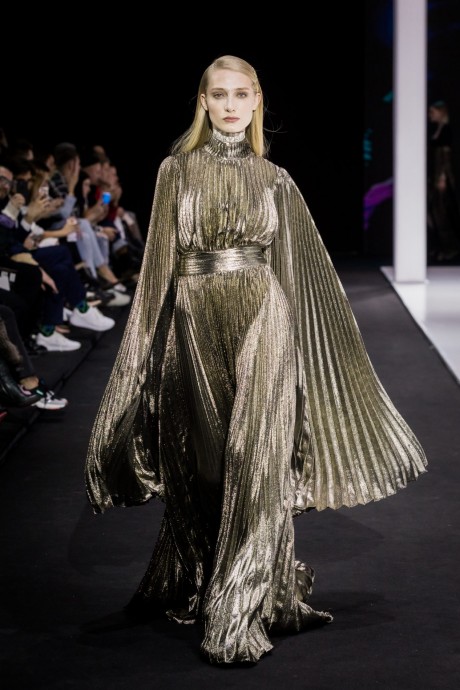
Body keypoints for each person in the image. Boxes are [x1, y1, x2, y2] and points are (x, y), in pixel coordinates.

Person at [85, 55, 428, 666]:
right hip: (194, 321)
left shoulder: (275, 179)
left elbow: (299, 271)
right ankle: (202, 574)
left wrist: (308, 357)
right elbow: (158, 270)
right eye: (219, 95)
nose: (231, 106)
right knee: (205, 463)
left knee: (253, 455)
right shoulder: (175, 172)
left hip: (263, 319)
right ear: (203, 102)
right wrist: (138, 363)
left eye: (241, 94)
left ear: (257, 101)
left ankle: (240, 605)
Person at [427, 100, 460, 261]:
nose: (430, 115)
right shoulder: (437, 129)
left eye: (432, 112)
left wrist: (442, 177)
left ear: (441, 112)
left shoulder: (446, 130)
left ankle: (450, 248)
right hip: (435, 174)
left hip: (441, 176)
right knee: (434, 212)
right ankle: (441, 247)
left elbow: (445, 157)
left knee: (441, 212)